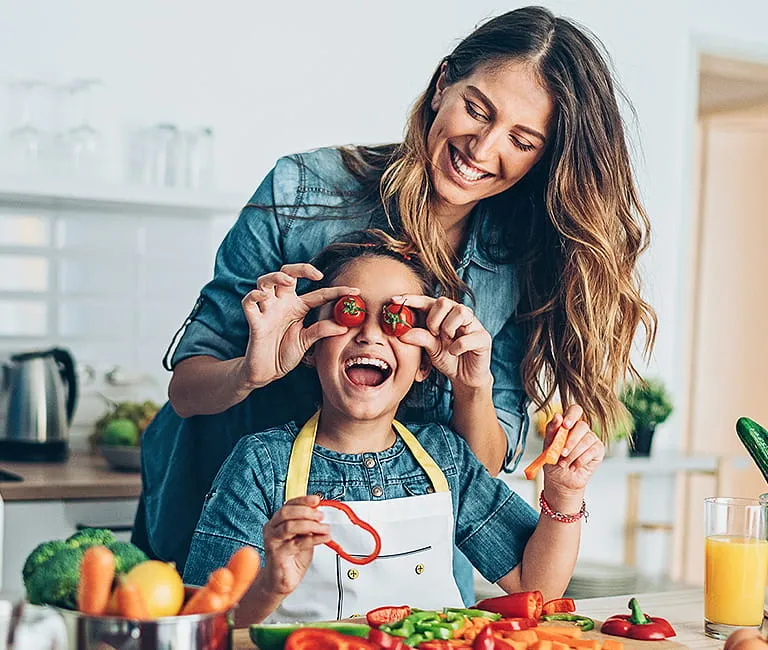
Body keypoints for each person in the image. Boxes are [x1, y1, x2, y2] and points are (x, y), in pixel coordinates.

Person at [134, 5, 656, 604]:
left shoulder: (524, 256)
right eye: (477, 109)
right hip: (241, 522)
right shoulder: (302, 191)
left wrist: (471, 385)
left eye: (522, 139)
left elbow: (478, 466)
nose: (483, 148)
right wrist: (250, 370)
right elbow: (188, 388)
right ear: (442, 86)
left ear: (545, 155)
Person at [182, 231, 605, 624]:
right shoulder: (261, 463)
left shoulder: (447, 456)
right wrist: (271, 586)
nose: (370, 334)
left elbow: (536, 586)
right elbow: (207, 622)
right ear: (311, 345)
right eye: (350, 314)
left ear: (424, 362)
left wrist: (564, 494)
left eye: (396, 319)